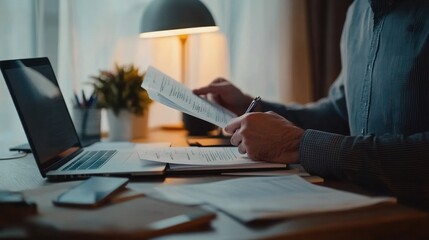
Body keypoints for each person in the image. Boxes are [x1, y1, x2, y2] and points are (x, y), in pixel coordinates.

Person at [193, 0, 429, 208]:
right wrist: (252, 108)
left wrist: (299, 144)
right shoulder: (358, 12)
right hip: (358, 209)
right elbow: (339, 114)